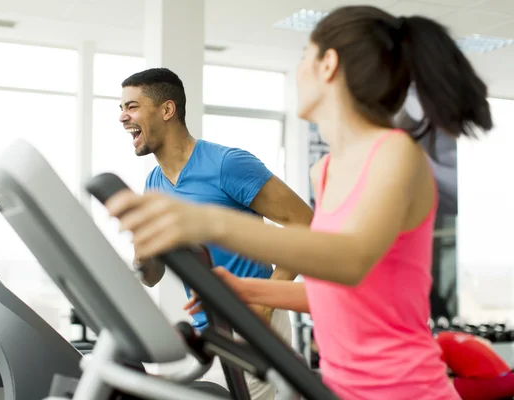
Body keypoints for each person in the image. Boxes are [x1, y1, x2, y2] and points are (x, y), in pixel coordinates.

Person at [106, 5, 493, 399]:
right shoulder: (325, 170)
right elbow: (335, 289)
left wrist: (207, 222)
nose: (297, 71)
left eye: (303, 56)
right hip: (341, 386)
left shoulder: (395, 153)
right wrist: (244, 290)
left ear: (328, 65)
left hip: (404, 390)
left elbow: (350, 260)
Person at [118, 67, 314, 399]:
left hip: (253, 321)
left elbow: (305, 223)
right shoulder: (154, 183)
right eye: (121, 108)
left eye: (132, 106)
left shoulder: (228, 164)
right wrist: (142, 255)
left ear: (167, 110)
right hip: (207, 330)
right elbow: (153, 276)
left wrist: (264, 307)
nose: (123, 117)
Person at [436, 330, 514, 400]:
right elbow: (487, 342)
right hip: (509, 378)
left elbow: (435, 375)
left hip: (493, 384)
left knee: (440, 385)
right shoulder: (454, 335)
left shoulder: (437, 342)